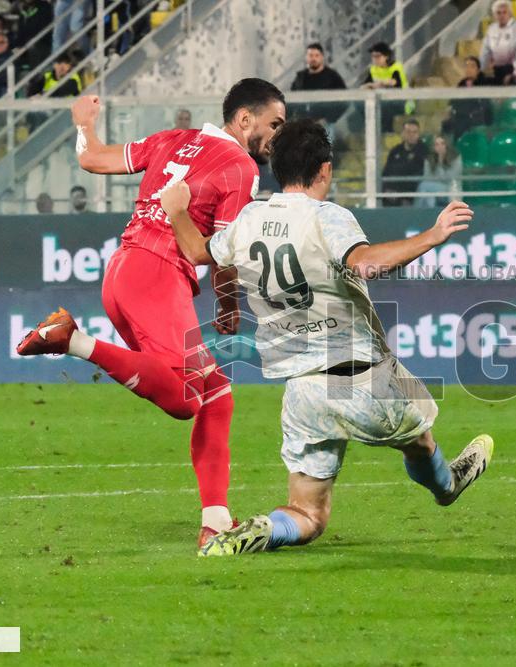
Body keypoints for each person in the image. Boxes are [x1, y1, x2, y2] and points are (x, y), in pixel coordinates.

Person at [152, 118, 493, 557]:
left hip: (302, 391)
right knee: (421, 436)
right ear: (326, 169)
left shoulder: (250, 217)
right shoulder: (329, 217)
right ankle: (447, 486)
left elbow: (200, 252)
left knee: (308, 516)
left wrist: (176, 210)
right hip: (364, 375)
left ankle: (261, 529)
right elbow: (366, 264)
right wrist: (433, 234)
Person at [15, 79, 287, 548]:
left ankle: (216, 520)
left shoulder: (171, 140)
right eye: (274, 123)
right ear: (245, 119)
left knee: (217, 395)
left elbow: (91, 158)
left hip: (123, 273)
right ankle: (72, 340)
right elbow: (220, 254)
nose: (278, 134)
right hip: (158, 276)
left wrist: (83, 124)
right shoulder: (241, 167)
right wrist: (226, 305)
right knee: (185, 401)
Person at [290, 42, 347, 125]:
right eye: (310, 55)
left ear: (322, 57)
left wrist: (328, 119)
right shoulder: (300, 77)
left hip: (325, 125)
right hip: (303, 124)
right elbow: (292, 100)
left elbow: (344, 101)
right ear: (306, 57)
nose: (313, 59)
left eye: (317, 55)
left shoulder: (332, 76)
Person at [361, 42, 413, 129]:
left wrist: (382, 83)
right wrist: (369, 86)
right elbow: (365, 85)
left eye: (377, 56)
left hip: (401, 102)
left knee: (384, 111)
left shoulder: (396, 67)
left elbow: (396, 84)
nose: (374, 59)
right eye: (373, 56)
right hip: (382, 102)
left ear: (386, 56)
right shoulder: (373, 69)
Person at [441, 56, 493, 139]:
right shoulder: (461, 85)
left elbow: (487, 107)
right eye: (466, 66)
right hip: (462, 121)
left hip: (478, 122)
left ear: (478, 70)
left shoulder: (484, 85)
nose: (469, 69)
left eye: (472, 66)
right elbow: (452, 104)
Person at [479, 0, 516, 84]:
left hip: (513, 69)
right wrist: (481, 70)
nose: (502, 15)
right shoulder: (491, 29)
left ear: (509, 14)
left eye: (504, 12)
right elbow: (485, 51)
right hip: (496, 69)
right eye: (498, 13)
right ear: (494, 15)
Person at [381, 118, 427, 207]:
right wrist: (387, 189)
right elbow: (386, 172)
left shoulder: (423, 151)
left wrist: (399, 193)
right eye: (408, 132)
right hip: (390, 194)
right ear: (403, 134)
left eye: (415, 132)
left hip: (410, 196)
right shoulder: (395, 151)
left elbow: (419, 174)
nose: (411, 135)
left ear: (418, 134)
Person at [417, 135, 462, 208]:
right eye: (437, 144)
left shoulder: (456, 157)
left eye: (442, 143)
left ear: (447, 145)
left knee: (424, 186)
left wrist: (440, 161)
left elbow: (452, 177)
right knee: (427, 192)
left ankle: (417, 211)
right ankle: (429, 212)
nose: (440, 147)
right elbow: (427, 178)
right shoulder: (429, 159)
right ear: (433, 147)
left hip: (451, 189)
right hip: (435, 190)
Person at [15, 0, 54, 71]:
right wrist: (18, 45)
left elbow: (44, 30)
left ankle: (35, 78)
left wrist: (27, 43)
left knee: (32, 46)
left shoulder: (44, 6)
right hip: (26, 45)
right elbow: (20, 31)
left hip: (42, 44)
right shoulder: (24, 8)